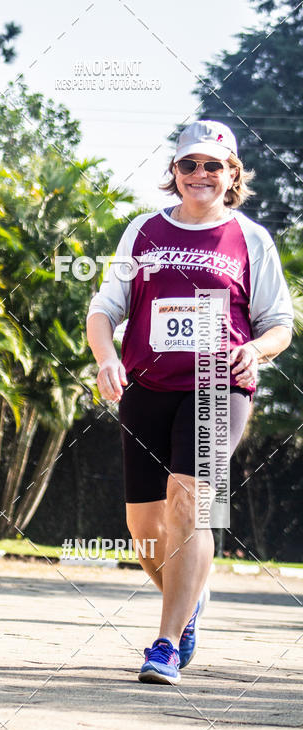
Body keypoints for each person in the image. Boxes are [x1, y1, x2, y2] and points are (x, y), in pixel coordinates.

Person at [86, 120, 293, 685]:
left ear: (232, 176)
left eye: (213, 166)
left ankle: (166, 643)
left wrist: (257, 349)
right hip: (146, 387)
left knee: (190, 503)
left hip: (216, 386)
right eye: (189, 165)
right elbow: (105, 307)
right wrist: (107, 357)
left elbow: (280, 324)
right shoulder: (142, 230)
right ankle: (190, 602)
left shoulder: (251, 239)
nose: (200, 175)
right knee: (144, 527)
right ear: (174, 174)